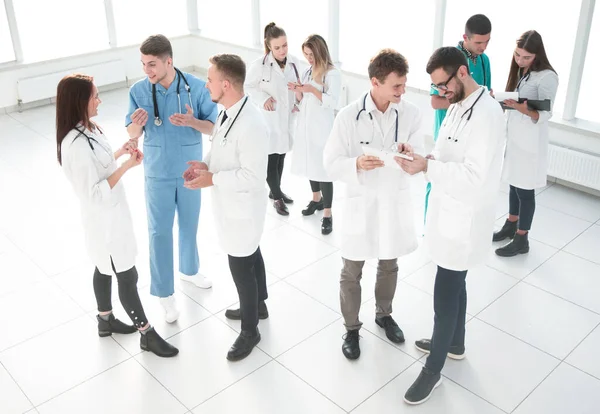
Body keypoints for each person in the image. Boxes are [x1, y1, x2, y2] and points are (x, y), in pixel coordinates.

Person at [399, 47, 505, 405]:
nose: (440, 94)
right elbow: (449, 155)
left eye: (442, 86)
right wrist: (424, 159)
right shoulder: (458, 104)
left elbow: (474, 177)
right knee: (454, 282)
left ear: (462, 73)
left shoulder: (488, 114)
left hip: (465, 218)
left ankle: (433, 370)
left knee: (445, 292)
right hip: (447, 211)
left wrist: (428, 169)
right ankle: (455, 344)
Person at [56, 74, 178, 358]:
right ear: (79, 102)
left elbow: (99, 164)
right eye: (94, 96)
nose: (99, 100)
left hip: (113, 215)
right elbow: (95, 192)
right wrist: (127, 166)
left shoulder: (89, 129)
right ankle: (146, 333)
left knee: (103, 268)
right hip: (105, 223)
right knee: (126, 275)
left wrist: (122, 151)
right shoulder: (74, 145)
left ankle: (105, 319)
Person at [323, 49, 423, 360]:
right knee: (352, 270)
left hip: (393, 199)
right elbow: (330, 162)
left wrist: (411, 150)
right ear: (375, 82)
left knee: (389, 263)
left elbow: (421, 151)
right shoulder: (348, 116)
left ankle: (384, 314)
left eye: (404, 85)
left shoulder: (410, 114)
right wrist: (356, 163)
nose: (402, 91)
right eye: (396, 86)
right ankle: (351, 328)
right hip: (360, 201)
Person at [125, 35, 218, 323]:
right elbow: (132, 134)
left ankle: (189, 271)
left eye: (152, 64)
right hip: (158, 171)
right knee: (159, 232)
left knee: (189, 223)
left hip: (190, 169)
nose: (147, 70)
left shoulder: (197, 87)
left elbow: (212, 126)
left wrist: (192, 122)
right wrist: (135, 126)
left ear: (169, 61)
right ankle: (165, 293)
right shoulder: (139, 90)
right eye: (143, 64)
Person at [184, 54, 269, 361]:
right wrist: (204, 164)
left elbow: (253, 176)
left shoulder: (252, 123)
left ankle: (251, 331)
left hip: (243, 206)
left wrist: (212, 179)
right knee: (251, 253)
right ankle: (259, 305)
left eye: (209, 80)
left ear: (226, 83)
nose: (205, 85)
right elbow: (219, 148)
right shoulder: (226, 112)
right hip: (230, 203)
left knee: (241, 264)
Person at [493, 30, 559, 257]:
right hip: (516, 139)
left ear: (537, 55)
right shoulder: (524, 71)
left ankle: (522, 238)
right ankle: (511, 224)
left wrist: (523, 108)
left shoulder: (548, 76)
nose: (520, 61)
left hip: (530, 142)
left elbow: (546, 112)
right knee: (513, 183)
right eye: (517, 55)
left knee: (525, 191)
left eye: (526, 57)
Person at [424, 14, 493, 223]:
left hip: (470, 131)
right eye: (479, 42)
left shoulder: (484, 61)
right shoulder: (448, 61)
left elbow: (484, 93)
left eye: (488, 41)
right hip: (448, 129)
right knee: (436, 175)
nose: (484, 47)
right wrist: (465, 101)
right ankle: (430, 224)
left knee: (461, 181)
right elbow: (436, 102)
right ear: (466, 36)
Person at [245, 22, 303, 216]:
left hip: (287, 119)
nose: (282, 50)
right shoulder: (259, 65)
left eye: (285, 45)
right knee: (271, 158)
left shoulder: (294, 62)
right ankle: (277, 197)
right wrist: (264, 99)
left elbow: (299, 86)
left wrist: (298, 103)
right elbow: (248, 87)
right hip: (269, 119)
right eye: (277, 47)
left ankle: (275, 191)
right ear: (269, 46)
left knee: (281, 155)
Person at [289, 34, 341, 235]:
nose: (308, 58)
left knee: (324, 169)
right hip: (305, 126)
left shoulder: (332, 74)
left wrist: (310, 89)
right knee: (311, 163)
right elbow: (303, 101)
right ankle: (316, 199)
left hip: (322, 128)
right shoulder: (307, 71)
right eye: (306, 54)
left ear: (320, 51)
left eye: (311, 54)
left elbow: (332, 102)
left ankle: (327, 213)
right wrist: (298, 91)